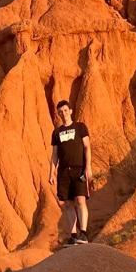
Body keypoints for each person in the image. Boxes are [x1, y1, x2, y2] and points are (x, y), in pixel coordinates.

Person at [48, 99, 92, 245]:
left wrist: (88, 167)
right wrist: (51, 172)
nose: (63, 113)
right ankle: (73, 236)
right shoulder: (56, 132)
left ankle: (83, 234)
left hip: (79, 169)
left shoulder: (80, 127)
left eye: (66, 110)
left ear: (70, 111)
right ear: (58, 114)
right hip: (63, 172)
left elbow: (87, 147)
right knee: (67, 204)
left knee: (80, 200)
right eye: (60, 112)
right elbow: (54, 155)